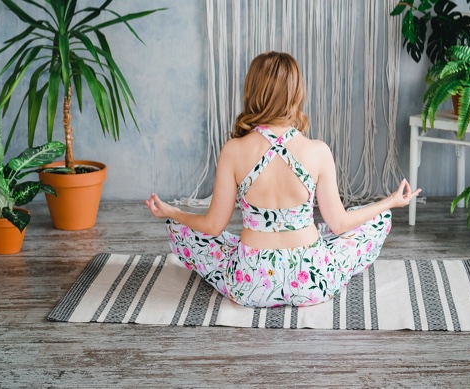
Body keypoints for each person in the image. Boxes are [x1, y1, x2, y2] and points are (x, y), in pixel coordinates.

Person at [145, 51, 421, 308]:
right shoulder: (318, 151)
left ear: (252, 92)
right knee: (375, 218)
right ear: (296, 94)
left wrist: (174, 212)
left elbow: (213, 226)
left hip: (250, 283)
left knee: (184, 227)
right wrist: (390, 202)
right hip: (313, 281)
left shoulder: (234, 150)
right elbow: (339, 224)